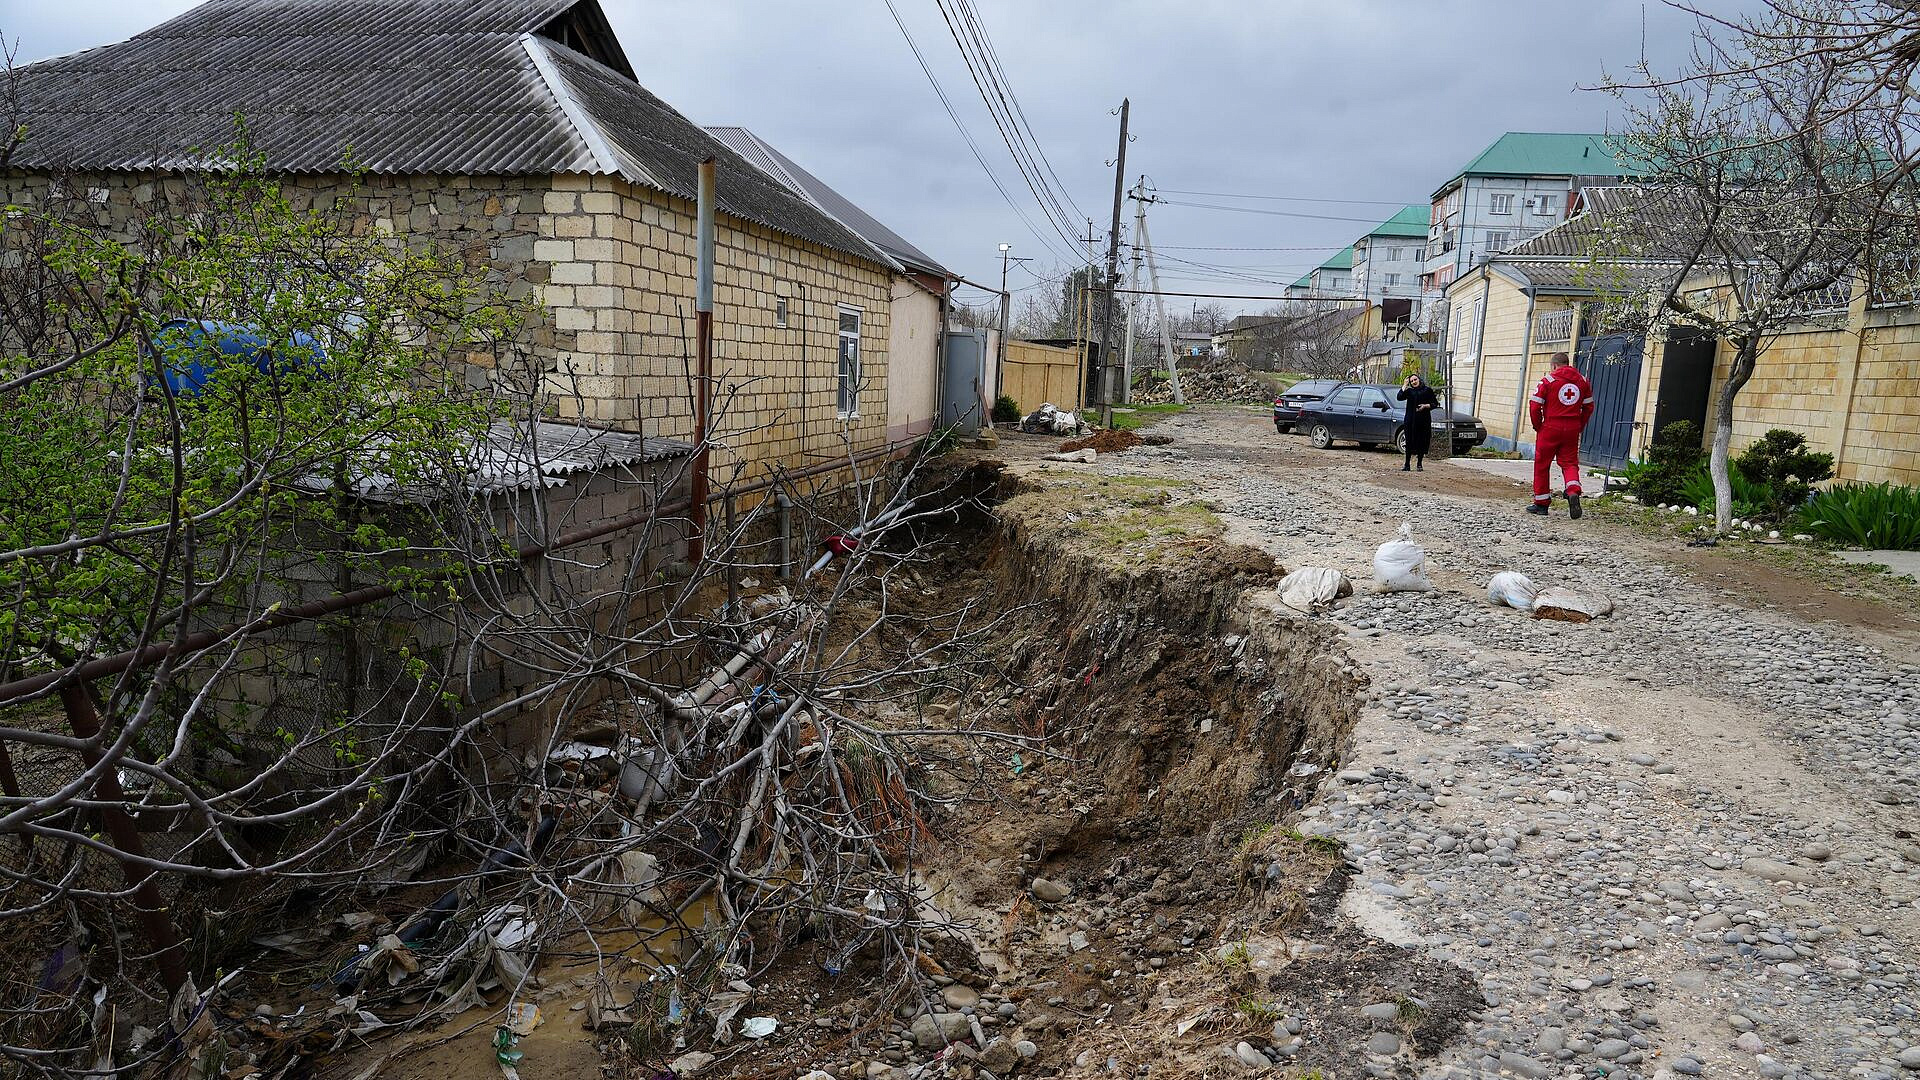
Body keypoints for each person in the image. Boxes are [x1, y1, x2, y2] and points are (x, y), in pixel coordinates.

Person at [1527, 353, 1595, 517]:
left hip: (1550, 427)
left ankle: (1541, 504)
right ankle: (1573, 490)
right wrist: (1579, 426)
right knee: (1570, 463)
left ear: (1554, 366)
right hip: (1572, 427)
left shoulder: (1548, 381)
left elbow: (1535, 406)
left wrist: (1538, 426)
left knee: (1542, 464)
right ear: (1567, 364)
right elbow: (1589, 407)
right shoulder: (1583, 381)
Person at [1396, 373, 1439, 471]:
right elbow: (1399, 397)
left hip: (1423, 420)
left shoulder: (1427, 390)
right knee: (1409, 441)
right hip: (1410, 420)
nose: (1414, 382)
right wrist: (1405, 385)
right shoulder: (1409, 391)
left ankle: (1419, 464)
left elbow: (1435, 404)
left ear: (1419, 379)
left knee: (1422, 441)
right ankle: (1407, 464)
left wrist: (1425, 406)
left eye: (1415, 379)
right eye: (1411, 381)